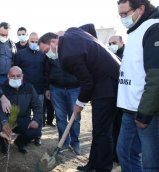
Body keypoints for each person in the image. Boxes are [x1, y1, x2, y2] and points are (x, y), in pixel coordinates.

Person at [38, 23, 120, 171]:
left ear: (54, 42)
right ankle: (92, 164)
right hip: (106, 78)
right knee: (98, 129)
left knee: (103, 132)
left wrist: (79, 103)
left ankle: (103, 169)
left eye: (46, 51)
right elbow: (89, 26)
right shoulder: (71, 31)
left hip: (108, 84)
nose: (46, 55)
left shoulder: (68, 56)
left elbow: (87, 83)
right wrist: (95, 52)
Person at [116, 0, 159, 171]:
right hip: (130, 109)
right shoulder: (135, 30)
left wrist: (145, 113)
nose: (122, 18)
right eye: (119, 15)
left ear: (141, 9)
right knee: (124, 152)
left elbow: (156, 76)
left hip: (147, 113)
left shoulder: (153, 28)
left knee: (151, 163)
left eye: (125, 14)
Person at [0, 66, 43, 154]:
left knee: (36, 130)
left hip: (23, 119)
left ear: (22, 76)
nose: (15, 78)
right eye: (12, 76)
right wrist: (4, 122)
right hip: (7, 120)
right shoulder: (2, 89)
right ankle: (4, 144)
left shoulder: (29, 87)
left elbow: (37, 105)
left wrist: (36, 120)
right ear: (8, 76)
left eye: (18, 76)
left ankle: (20, 142)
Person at [44, 56, 81, 155]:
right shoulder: (51, 55)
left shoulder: (76, 52)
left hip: (74, 89)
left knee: (75, 117)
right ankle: (63, 143)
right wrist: (47, 88)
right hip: (56, 89)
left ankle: (75, 143)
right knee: (60, 118)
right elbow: (47, 72)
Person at [14, 32, 46, 146]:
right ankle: (26, 135)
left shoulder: (43, 54)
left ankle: (38, 136)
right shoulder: (20, 54)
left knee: (39, 112)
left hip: (39, 88)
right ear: (28, 41)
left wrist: (46, 88)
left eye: (36, 41)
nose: (34, 43)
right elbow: (16, 69)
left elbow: (46, 72)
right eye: (32, 41)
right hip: (25, 90)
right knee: (25, 113)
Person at [108, 34, 125, 163]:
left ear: (121, 42)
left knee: (121, 127)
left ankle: (119, 155)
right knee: (113, 127)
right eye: (110, 43)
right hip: (113, 96)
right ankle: (114, 153)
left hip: (124, 98)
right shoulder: (110, 55)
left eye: (114, 42)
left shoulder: (127, 54)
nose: (111, 45)